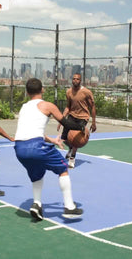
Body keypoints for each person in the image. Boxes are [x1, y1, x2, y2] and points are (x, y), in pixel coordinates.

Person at [14, 78, 84, 221]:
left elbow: (31, 132)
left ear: (27, 92)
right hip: (37, 147)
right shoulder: (47, 105)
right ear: (43, 89)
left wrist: (52, 140)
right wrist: (81, 127)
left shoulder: (24, 107)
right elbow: (66, 123)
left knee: (37, 174)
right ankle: (69, 207)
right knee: (63, 169)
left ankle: (36, 204)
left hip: (19, 148)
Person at [57, 73, 97, 169]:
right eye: (74, 79)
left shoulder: (86, 92)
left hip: (83, 118)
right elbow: (68, 107)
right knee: (64, 138)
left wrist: (94, 122)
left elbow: (93, 107)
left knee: (76, 139)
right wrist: (61, 120)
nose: (75, 80)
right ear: (72, 80)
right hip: (72, 116)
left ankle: (72, 159)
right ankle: (70, 148)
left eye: (77, 79)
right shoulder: (69, 92)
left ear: (80, 81)